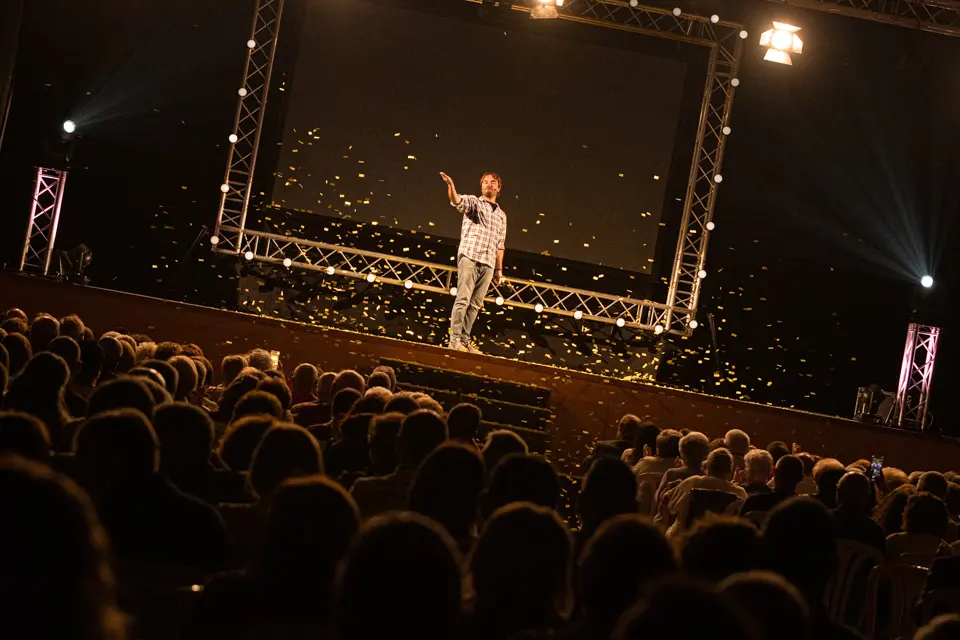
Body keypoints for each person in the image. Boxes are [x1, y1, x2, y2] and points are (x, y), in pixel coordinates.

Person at [440, 170, 507, 352]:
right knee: (463, 299)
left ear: (498, 187)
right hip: (470, 256)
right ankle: (454, 340)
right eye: (485, 182)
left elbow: (500, 245)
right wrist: (451, 187)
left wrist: (499, 271)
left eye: (493, 182)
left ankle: (464, 339)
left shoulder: (502, 216)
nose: (489, 184)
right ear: (481, 186)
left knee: (476, 304)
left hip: (488, 263)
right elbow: (457, 201)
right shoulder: (475, 203)